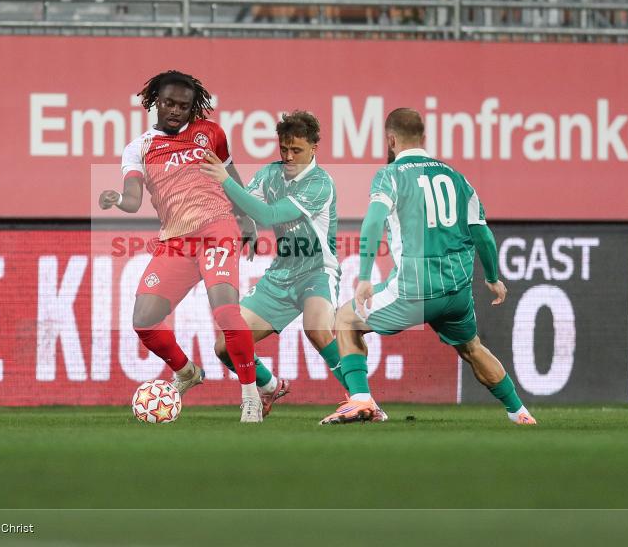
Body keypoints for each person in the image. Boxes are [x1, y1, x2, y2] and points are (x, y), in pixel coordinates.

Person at [320, 108, 536, 426]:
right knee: (472, 348)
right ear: (424, 138)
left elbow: (374, 221)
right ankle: (520, 413)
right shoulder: (458, 178)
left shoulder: (390, 175)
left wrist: (365, 277)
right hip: (458, 290)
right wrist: (492, 278)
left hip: (416, 289)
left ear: (390, 140)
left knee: (345, 319)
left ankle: (362, 401)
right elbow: (483, 236)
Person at [98, 70, 262, 423]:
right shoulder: (139, 147)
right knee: (144, 320)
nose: (175, 110)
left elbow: (229, 176)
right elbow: (132, 198)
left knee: (226, 312)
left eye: (183, 106)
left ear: (193, 108)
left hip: (218, 229)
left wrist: (246, 217)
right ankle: (187, 372)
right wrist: (117, 200)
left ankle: (251, 396)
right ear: (156, 101)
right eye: (169, 103)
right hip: (176, 241)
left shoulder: (211, 134)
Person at [201, 111, 382, 419]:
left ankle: (363, 401)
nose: (288, 156)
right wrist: (245, 222)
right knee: (224, 344)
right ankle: (270, 386)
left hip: (317, 271)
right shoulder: (271, 174)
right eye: (283, 149)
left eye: (296, 150)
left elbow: (269, 215)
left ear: (314, 147)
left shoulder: (320, 184)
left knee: (316, 328)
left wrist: (225, 180)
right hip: (281, 275)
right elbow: (245, 203)